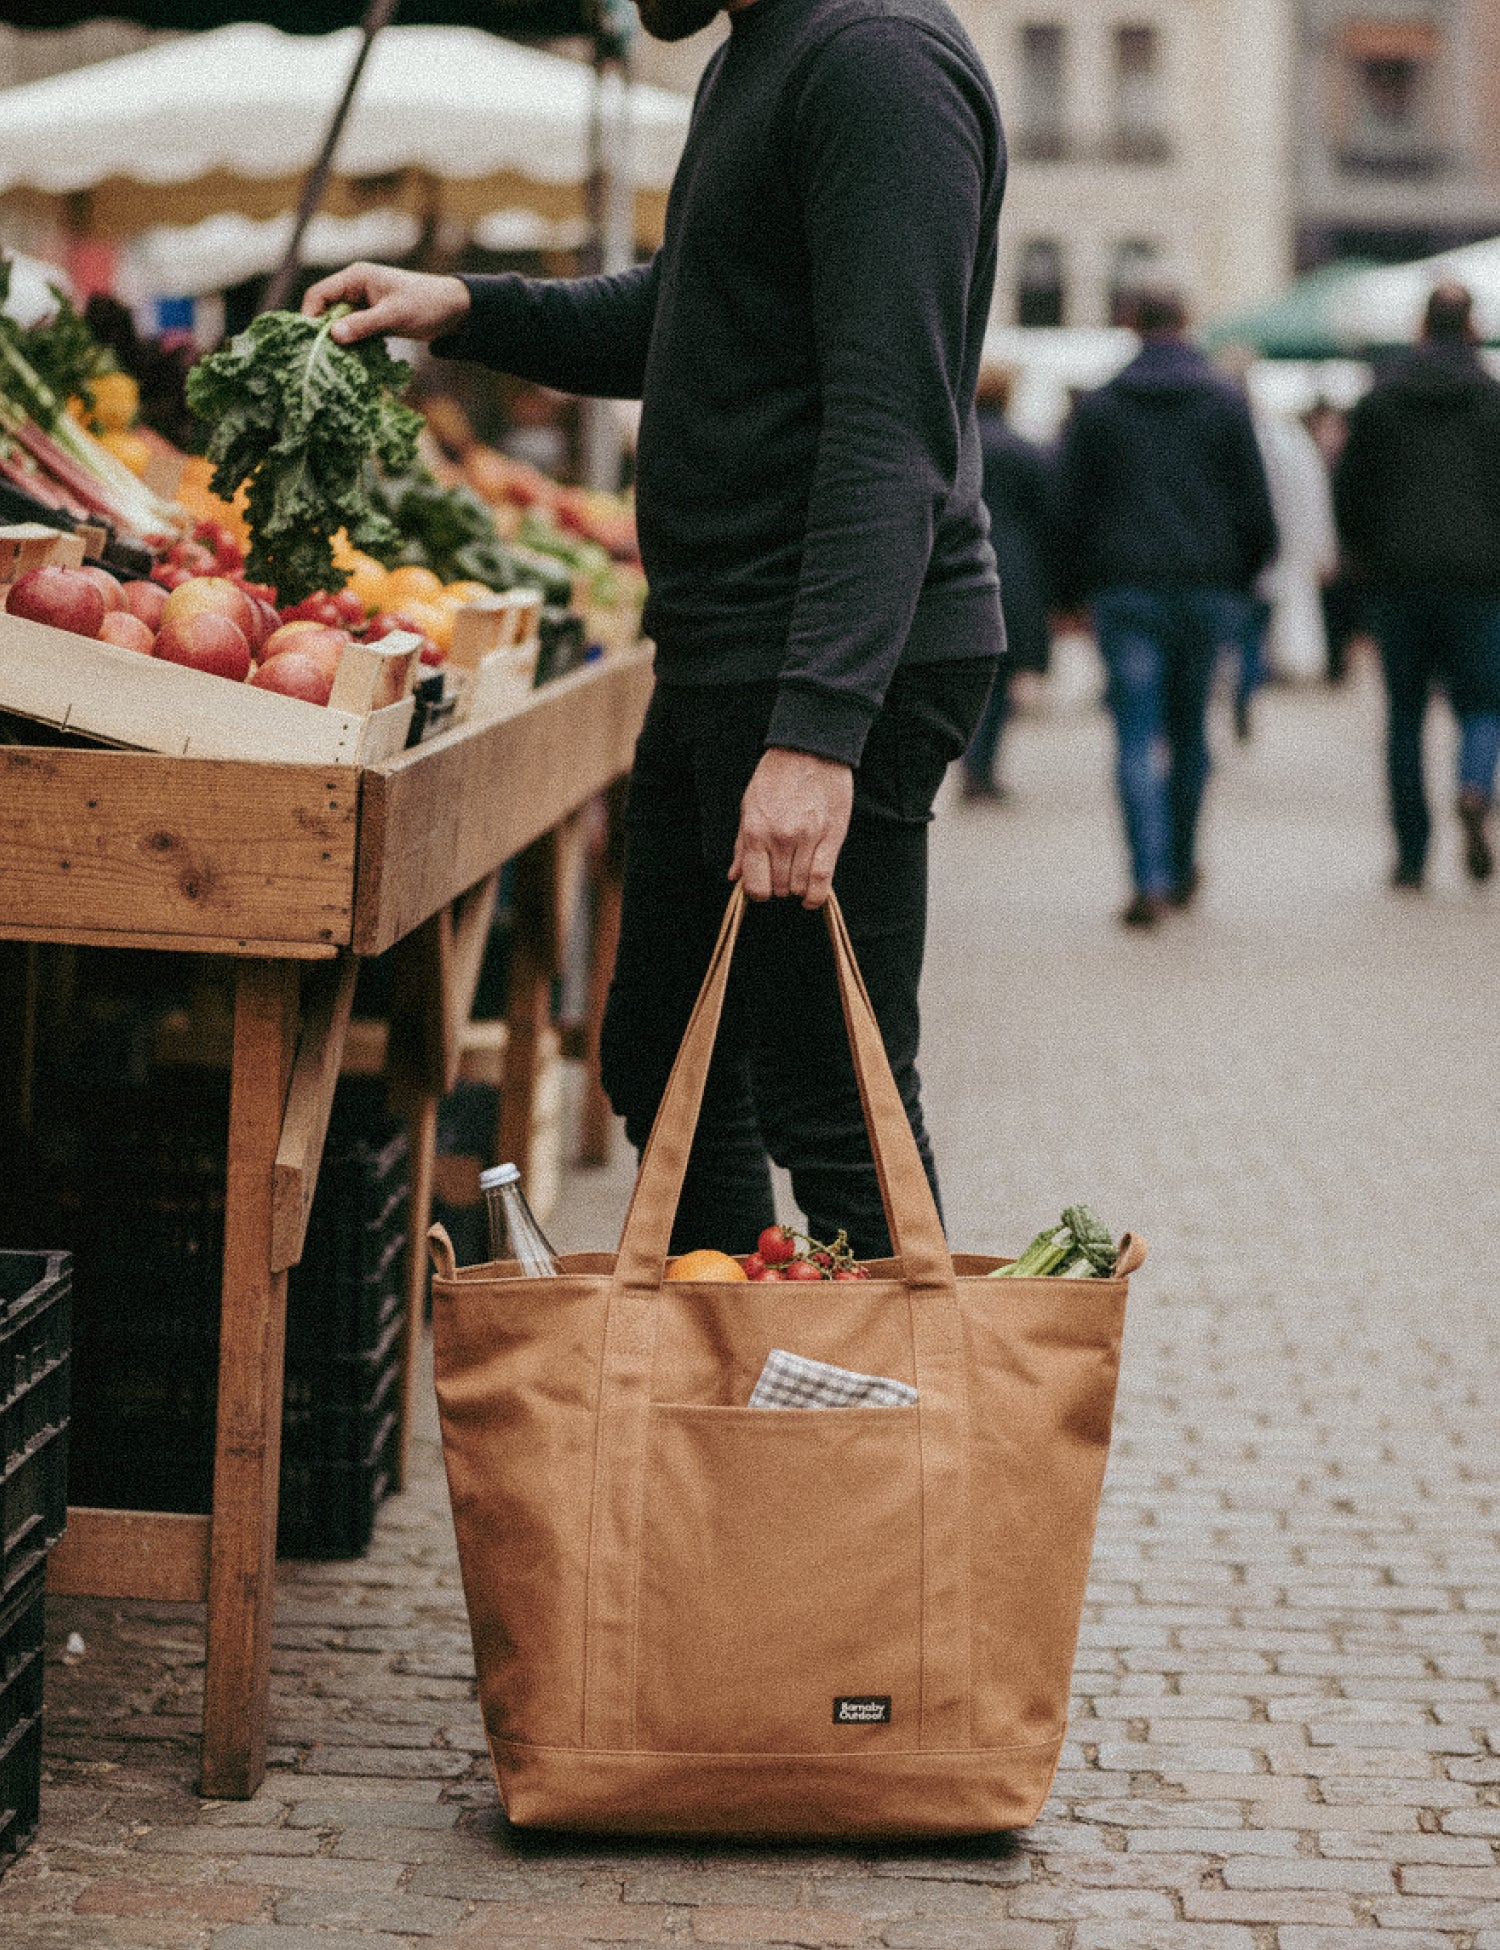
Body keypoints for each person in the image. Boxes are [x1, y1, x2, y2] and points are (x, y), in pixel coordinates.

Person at [303, 0, 1006, 1258]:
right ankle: (728, 1347)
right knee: (662, 1052)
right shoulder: (760, 56)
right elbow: (685, 313)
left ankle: (879, 1389)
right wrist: (462, 304)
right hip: (732, 646)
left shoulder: (877, 65)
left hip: (826, 656)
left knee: (834, 1105)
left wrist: (817, 735)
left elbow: (890, 426)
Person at [1052, 289, 1276, 926]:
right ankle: (1180, 865)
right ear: (1187, 321)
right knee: (1191, 733)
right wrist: (1241, 579)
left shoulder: (1100, 406)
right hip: (1206, 589)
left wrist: (1069, 595)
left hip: (1124, 590)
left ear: (1131, 324)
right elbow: (1256, 508)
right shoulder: (1226, 403)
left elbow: (1068, 511)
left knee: (1133, 734)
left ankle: (1147, 876)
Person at [1332, 281, 1500, 889]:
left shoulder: (1381, 399)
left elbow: (1348, 490)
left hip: (1396, 580)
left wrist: (1362, 557)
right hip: (1480, 581)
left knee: (1404, 719)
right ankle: (1475, 786)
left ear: (1422, 329)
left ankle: (1411, 854)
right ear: (1473, 327)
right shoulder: (1493, 400)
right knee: (1483, 705)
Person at [959, 363, 1053, 802]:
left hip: (959, 561)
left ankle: (971, 762)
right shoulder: (1024, 451)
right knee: (999, 676)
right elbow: (1049, 518)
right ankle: (982, 767)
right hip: (1013, 569)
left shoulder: (956, 447)